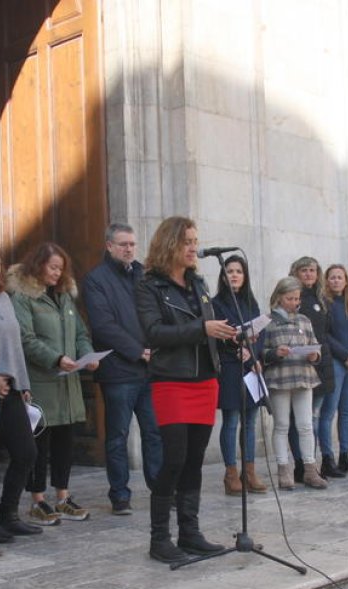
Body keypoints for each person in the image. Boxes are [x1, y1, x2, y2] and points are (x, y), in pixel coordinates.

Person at [135, 216, 235, 563]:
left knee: (194, 461)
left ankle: (190, 533)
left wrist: (229, 336)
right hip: (171, 381)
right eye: (187, 241)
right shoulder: (149, 286)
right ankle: (159, 539)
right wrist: (202, 328)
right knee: (174, 459)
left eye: (196, 240)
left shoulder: (200, 283)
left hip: (205, 380)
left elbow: (206, 329)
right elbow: (154, 332)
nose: (194, 247)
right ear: (170, 244)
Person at [9, 243, 97, 524]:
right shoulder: (23, 297)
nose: (58, 273)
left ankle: (63, 496)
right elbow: (25, 338)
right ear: (38, 265)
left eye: (61, 268)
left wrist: (86, 354)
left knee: (65, 443)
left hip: (67, 386)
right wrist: (56, 358)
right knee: (40, 444)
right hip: (42, 383)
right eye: (53, 267)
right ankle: (38, 500)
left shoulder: (64, 297)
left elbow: (81, 333)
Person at [82, 223, 163, 515]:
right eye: (123, 244)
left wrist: (156, 349)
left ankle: (160, 490)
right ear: (109, 246)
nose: (129, 249)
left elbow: (157, 314)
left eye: (132, 244)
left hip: (150, 371)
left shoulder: (145, 274)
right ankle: (120, 495)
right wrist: (137, 351)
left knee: (154, 433)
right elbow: (104, 326)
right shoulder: (96, 279)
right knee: (117, 435)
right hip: (118, 371)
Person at [0, 238, 43, 538]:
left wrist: (23, 383)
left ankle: (9, 512)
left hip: (13, 388)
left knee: (26, 452)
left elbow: (15, 344)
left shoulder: (4, 298)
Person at [261, 277, 330, 490]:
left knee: (306, 425)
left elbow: (314, 347)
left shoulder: (304, 320)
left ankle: (310, 469)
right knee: (281, 425)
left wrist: (313, 356)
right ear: (279, 297)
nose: (294, 302)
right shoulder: (267, 321)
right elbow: (260, 351)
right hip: (280, 377)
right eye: (290, 298)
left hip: (303, 375)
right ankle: (283, 469)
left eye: (297, 299)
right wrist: (274, 353)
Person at [211, 255, 267, 495]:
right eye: (229, 271)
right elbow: (215, 335)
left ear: (245, 277)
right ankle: (230, 473)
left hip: (250, 367)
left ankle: (250, 471)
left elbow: (261, 333)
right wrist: (236, 346)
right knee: (232, 420)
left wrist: (255, 357)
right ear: (223, 276)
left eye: (238, 271)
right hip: (229, 367)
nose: (234, 275)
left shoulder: (251, 303)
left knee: (250, 421)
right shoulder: (215, 304)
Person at [287, 257, 339, 479]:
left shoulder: (321, 299)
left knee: (313, 419)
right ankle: (300, 463)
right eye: (304, 270)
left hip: (321, 361)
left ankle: (312, 463)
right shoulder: (291, 298)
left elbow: (326, 331)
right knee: (297, 419)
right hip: (299, 362)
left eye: (312, 271)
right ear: (296, 273)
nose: (309, 274)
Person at [318, 264, 348, 475]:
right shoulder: (325, 305)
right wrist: (346, 356)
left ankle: (346, 455)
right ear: (326, 281)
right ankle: (328, 458)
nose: (336, 280)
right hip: (337, 362)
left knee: (347, 411)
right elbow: (325, 335)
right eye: (332, 277)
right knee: (328, 412)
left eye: (340, 277)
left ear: (346, 281)